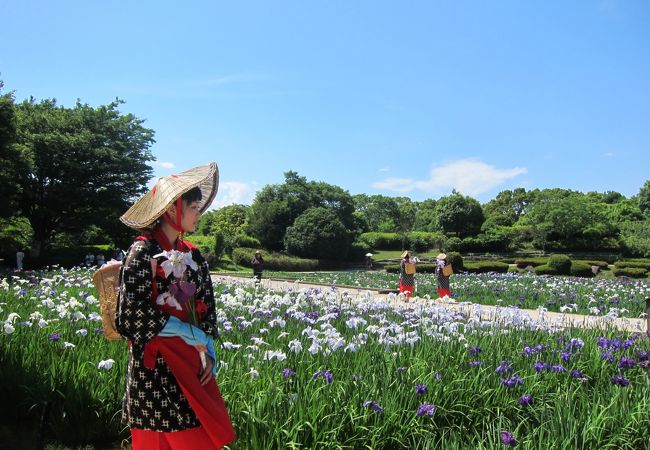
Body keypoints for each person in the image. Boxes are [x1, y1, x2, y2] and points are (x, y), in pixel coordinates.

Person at [116, 162, 236, 450]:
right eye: (193, 207)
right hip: (154, 370)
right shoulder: (142, 252)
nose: (199, 213)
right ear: (172, 209)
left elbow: (206, 304)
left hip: (191, 364)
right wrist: (184, 330)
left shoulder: (193, 255)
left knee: (199, 438)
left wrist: (207, 347)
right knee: (157, 442)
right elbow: (129, 317)